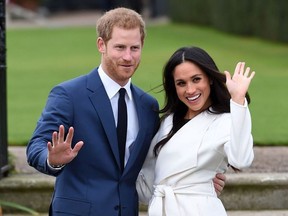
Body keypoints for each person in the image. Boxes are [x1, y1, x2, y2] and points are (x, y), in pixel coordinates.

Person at [26, 8, 225, 216]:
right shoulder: (69, 95)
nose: (128, 57)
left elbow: (159, 159)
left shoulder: (148, 106)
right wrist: (52, 160)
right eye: (120, 47)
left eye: (134, 48)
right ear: (101, 45)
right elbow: (36, 147)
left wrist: (199, 178)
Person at [137, 46, 255, 216]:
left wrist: (237, 100)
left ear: (210, 79)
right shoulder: (167, 123)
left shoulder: (225, 121)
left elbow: (242, 160)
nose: (190, 90)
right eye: (181, 83)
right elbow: (148, 181)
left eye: (196, 79)